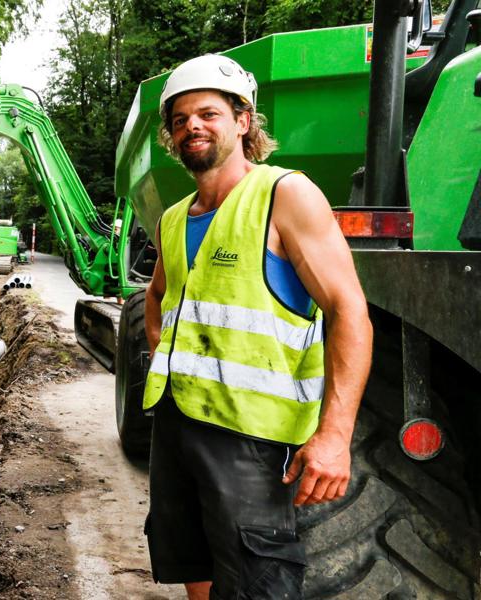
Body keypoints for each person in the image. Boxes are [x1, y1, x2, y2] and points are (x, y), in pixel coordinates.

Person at [141, 54, 373, 599]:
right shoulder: (175, 216)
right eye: (179, 120)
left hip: (252, 437)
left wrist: (335, 437)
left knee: (256, 580)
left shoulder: (284, 194)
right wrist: (163, 360)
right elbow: (156, 298)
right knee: (191, 556)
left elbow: (349, 311)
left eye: (208, 113)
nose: (192, 126)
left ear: (243, 121)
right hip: (179, 421)